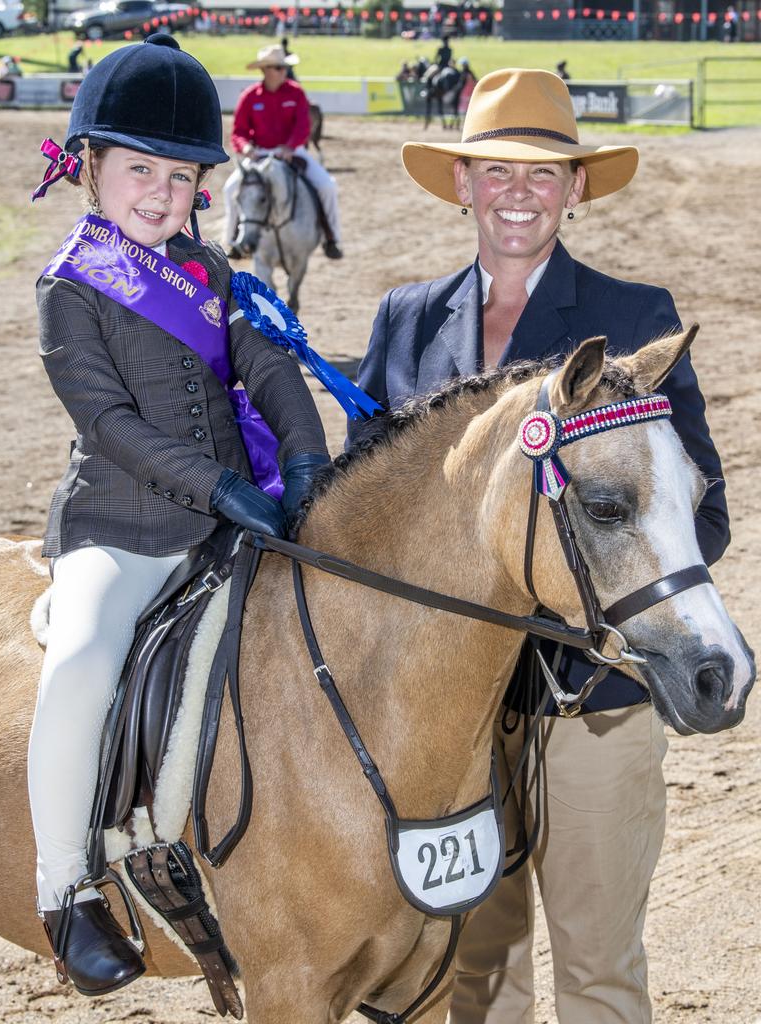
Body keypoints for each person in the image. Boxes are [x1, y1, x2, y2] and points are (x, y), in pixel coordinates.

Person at [351, 68, 728, 1024]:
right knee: (473, 972)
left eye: (543, 173)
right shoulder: (405, 319)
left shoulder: (637, 317)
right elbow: (364, 512)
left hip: (591, 700)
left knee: (599, 968)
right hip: (446, 724)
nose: (519, 191)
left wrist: (565, 597)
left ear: (576, 191)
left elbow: (701, 513)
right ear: (465, 186)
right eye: (497, 171)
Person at [28, 34, 329, 998]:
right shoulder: (70, 289)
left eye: (181, 175)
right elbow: (108, 424)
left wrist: (311, 460)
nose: (161, 194)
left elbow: (272, 371)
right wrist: (219, 489)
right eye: (138, 171)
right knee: (79, 663)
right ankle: (64, 888)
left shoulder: (214, 274)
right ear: (91, 170)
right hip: (123, 526)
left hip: (236, 522)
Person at [222, 43, 343, 261]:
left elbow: (303, 126)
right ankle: (232, 240)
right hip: (259, 155)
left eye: (284, 67)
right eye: (278, 67)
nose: (283, 71)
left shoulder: (296, 93)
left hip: (292, 153)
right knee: (230, 189)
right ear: (265, 70)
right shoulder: (249, 97)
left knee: (327, 186)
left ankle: (331, 237)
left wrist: (290, 146)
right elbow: (238, 132)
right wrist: (246, 148)